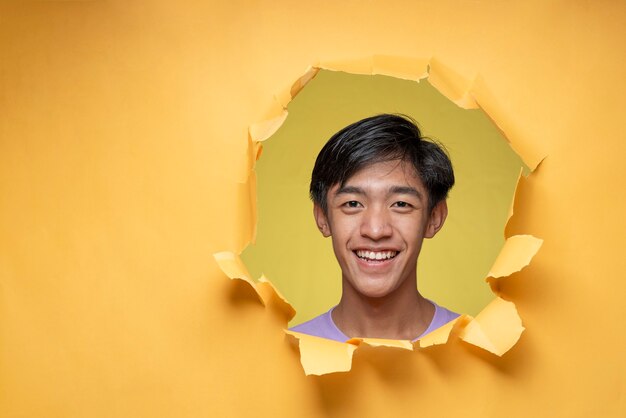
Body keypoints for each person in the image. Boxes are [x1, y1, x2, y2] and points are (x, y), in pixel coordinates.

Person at [290, 114, 459, 342]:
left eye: (401, 204)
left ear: (434, 218)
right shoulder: (286, 356)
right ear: (322, 217)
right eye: (352, 204)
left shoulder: (477, 351)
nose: (376, 230)